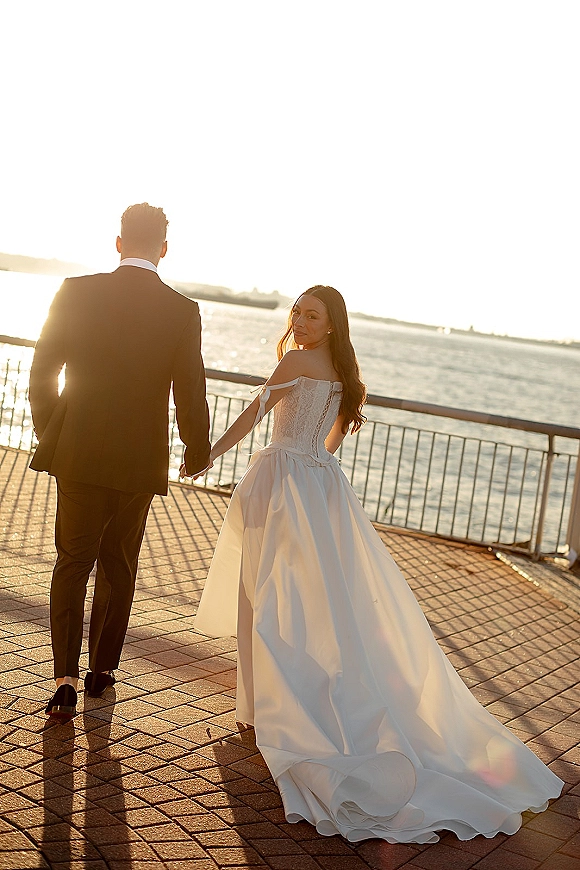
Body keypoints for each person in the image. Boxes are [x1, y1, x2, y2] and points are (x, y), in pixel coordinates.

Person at [192, 285, 562, 844]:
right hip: (320, 487)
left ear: (333, 324)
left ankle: (258, 714)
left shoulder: (293, 360)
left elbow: (252, 415)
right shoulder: (344, 375)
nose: (301, 321)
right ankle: (267, 709)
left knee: (261, 597)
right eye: (298, 312)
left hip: (280, 483)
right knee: (314, 603)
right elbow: (332, 439)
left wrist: (205, 456)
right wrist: (310, 465)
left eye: (312, 315)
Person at [29, 203, 211, 722]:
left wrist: (54, 435)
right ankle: (101, 671)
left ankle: (63, 678)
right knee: (119, 564)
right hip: (138, 461)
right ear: (165, 249)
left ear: (118, 243)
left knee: (71, 561)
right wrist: (195, 450)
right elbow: (189, 391)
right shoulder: (182, 311)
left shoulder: (75, 290)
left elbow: (43, 371)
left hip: (78, 454)